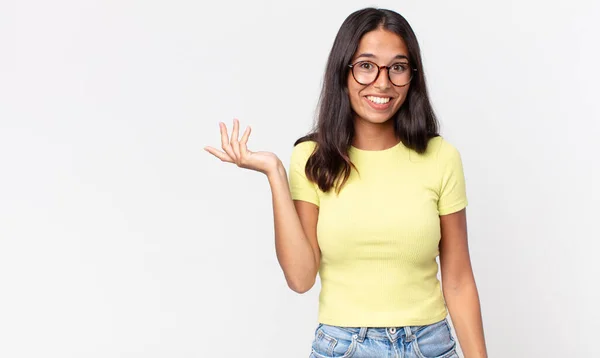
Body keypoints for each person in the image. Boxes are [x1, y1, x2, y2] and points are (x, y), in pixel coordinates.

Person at [204, 7, 487, 358]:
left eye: (397, 68)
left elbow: (458, 282)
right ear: (343, 72)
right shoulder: (312, 158)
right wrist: (274, 173)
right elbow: (301, 278)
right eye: (366, 66)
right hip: (345, 347)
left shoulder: (441, 157)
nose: (382, 83)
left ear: (412, 77)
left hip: (429, 346)